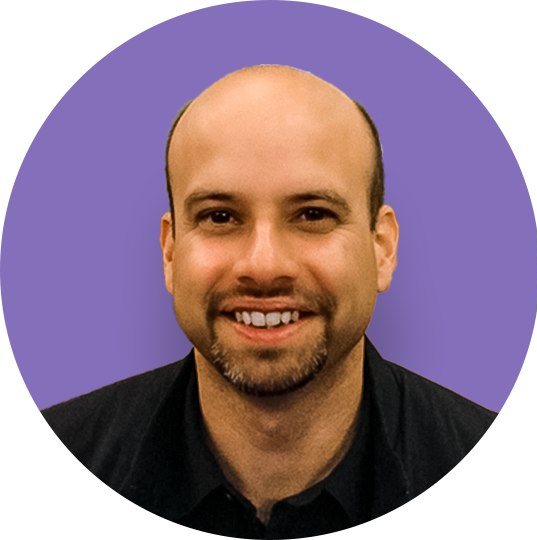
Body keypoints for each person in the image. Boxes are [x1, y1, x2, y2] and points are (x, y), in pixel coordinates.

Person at [39, 65, 500, 540]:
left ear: (382, 247)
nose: (263, 265)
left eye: (313, 214)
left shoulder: (503, 487)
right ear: (170, 251)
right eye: (220, 217)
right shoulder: (42, 477)